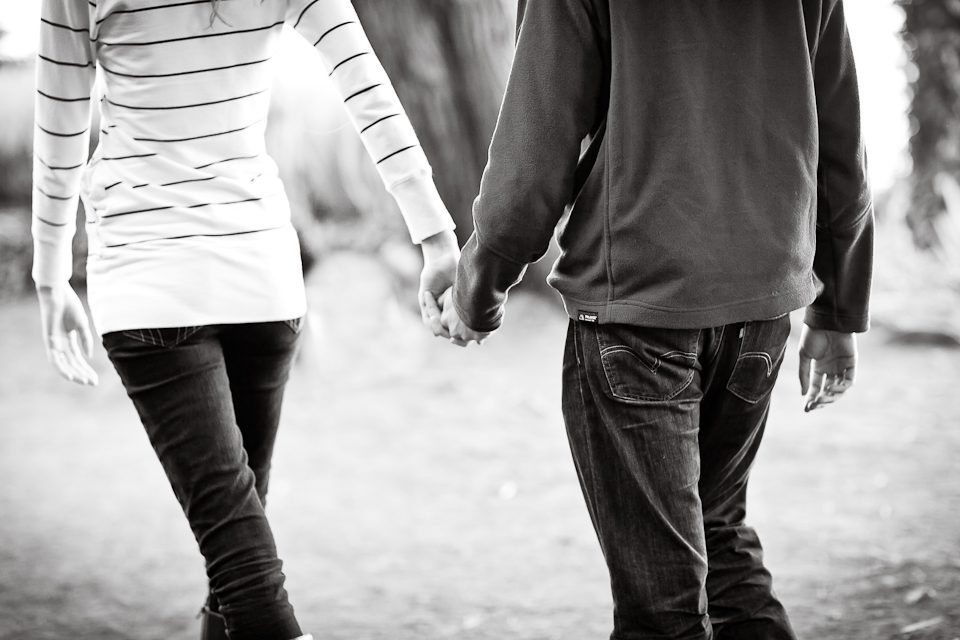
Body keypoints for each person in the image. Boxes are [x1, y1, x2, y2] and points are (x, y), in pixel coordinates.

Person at [426, 0, 873, 638]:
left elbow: (535, 146)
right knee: (719, 536)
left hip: (636, 311)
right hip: (760, 309)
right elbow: (842, 143)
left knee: (662, 607)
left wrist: (480, 285)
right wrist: (837, 310)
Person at [32, 0, 459, 638]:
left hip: (149, 276)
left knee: (240, 566)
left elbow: (61, 124)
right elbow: (364, 85)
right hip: (262, 282)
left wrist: (50, 271)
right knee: (233, 559)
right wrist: (435, 234)